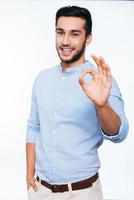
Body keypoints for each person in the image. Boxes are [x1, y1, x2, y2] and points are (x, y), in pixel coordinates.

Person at [26, 5, 129, 200]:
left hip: (82, 192)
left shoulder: (100, 80)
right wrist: (29, 175)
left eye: (74, 34)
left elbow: (119, 133)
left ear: (87, 38)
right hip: (41, 191)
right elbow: (33, 127)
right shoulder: (42, 78)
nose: (65, 41)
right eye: (60, 32)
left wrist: (102, 105)